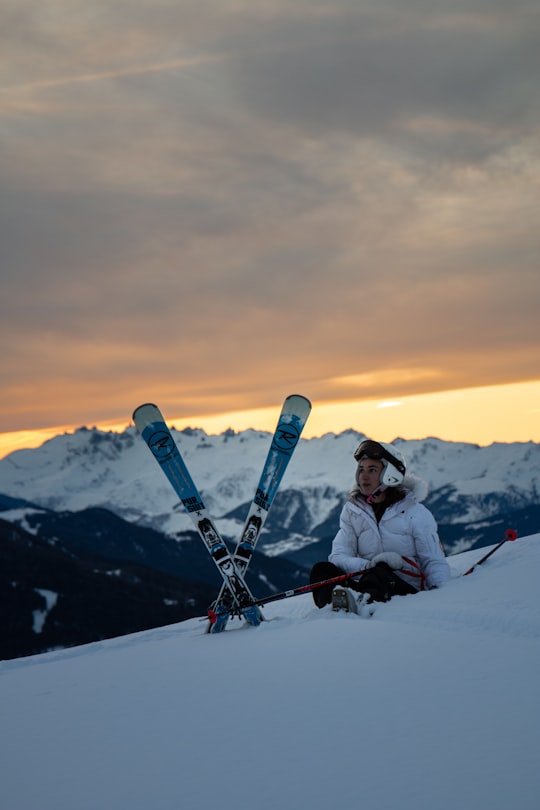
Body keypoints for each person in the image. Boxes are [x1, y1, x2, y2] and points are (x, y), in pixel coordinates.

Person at [310, 439, 450, 613]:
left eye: (372, 470)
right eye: (361, 469)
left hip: (404, 590)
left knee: (379, 572)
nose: (364, 476)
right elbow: (338, 556)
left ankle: (357, 605)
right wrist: (367, 566)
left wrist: (441, 591)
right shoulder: (353, 512)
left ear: (390, 475)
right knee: (322, 571)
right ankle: (336, 607)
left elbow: (433, 560)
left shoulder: (416, 513)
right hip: (367, 583)